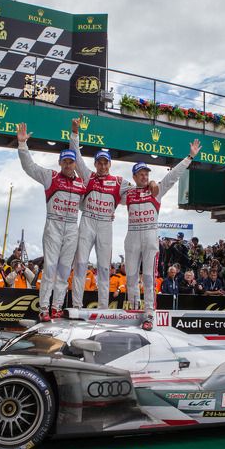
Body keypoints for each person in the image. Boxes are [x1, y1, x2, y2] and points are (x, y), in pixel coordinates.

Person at [68, 117, 157, 309]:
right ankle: (76, 305)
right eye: (99, 163)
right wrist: (75, 133)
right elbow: (76, 156)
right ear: (95, 164)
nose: (102, 166)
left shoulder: (119, 182)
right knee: (81, 264)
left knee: (104, 267)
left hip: (106, 225)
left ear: (109, 164)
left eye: (105, 163)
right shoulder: (88, 175)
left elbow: (136, 191)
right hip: (88, 221)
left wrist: (151, 183)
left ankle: (102, 308)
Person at [122, 138, 201, 330]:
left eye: (146, 173)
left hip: (150, 237)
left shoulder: (156, 191)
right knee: (131, 277)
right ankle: (132, 311)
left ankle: (149, 314)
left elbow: (173, 176)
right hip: (131, 237)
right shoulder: (128, 193)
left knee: (149, 277)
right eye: (140, 174)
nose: (144, 176)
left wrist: (189, 157)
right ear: (134, 176)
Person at [17, 122, 86, 321]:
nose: (67, 164)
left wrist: (108, 213)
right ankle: (44, 308)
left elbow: (87, 206)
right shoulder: (51, 177)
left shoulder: (81, 184)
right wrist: (22, 145)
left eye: (70, 162)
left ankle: (57, 307)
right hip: (53, 226)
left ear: (75, 164)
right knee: (50, 269)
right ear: (59, 163)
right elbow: (30, 167)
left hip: (72, 228)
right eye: (64, 161)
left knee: (65, 270)